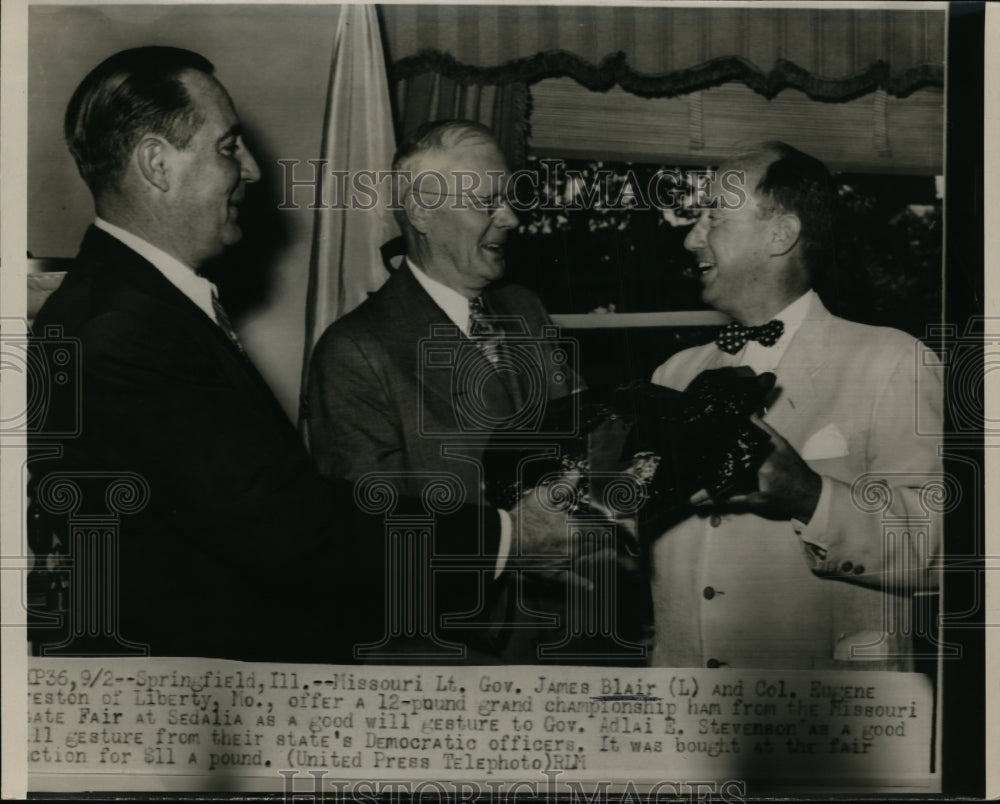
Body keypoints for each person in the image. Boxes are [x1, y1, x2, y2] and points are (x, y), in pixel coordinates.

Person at [27, 47, 578, 663]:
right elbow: (289, 530)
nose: (252, 169)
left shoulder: (134, 306)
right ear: (157, 164)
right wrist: (506, 538)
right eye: (228, 147)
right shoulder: (123, 326)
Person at [306, 121, 599, 662]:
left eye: (508, 200)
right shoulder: (356, 350)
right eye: (487, 203)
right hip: (451, 656)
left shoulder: (526, 309)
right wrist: (512, 543)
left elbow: (588, 446)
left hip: (575, 633)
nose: (510, 219)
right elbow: (374, 544)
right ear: (421, 211)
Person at [648, 141, 943, 670]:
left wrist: (810, 496)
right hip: (686, 701)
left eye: (714, 217)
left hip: (828, 705)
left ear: (780, 234)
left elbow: (943, 549)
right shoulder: (672, 374)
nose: (692, 238)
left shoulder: (892, 360)